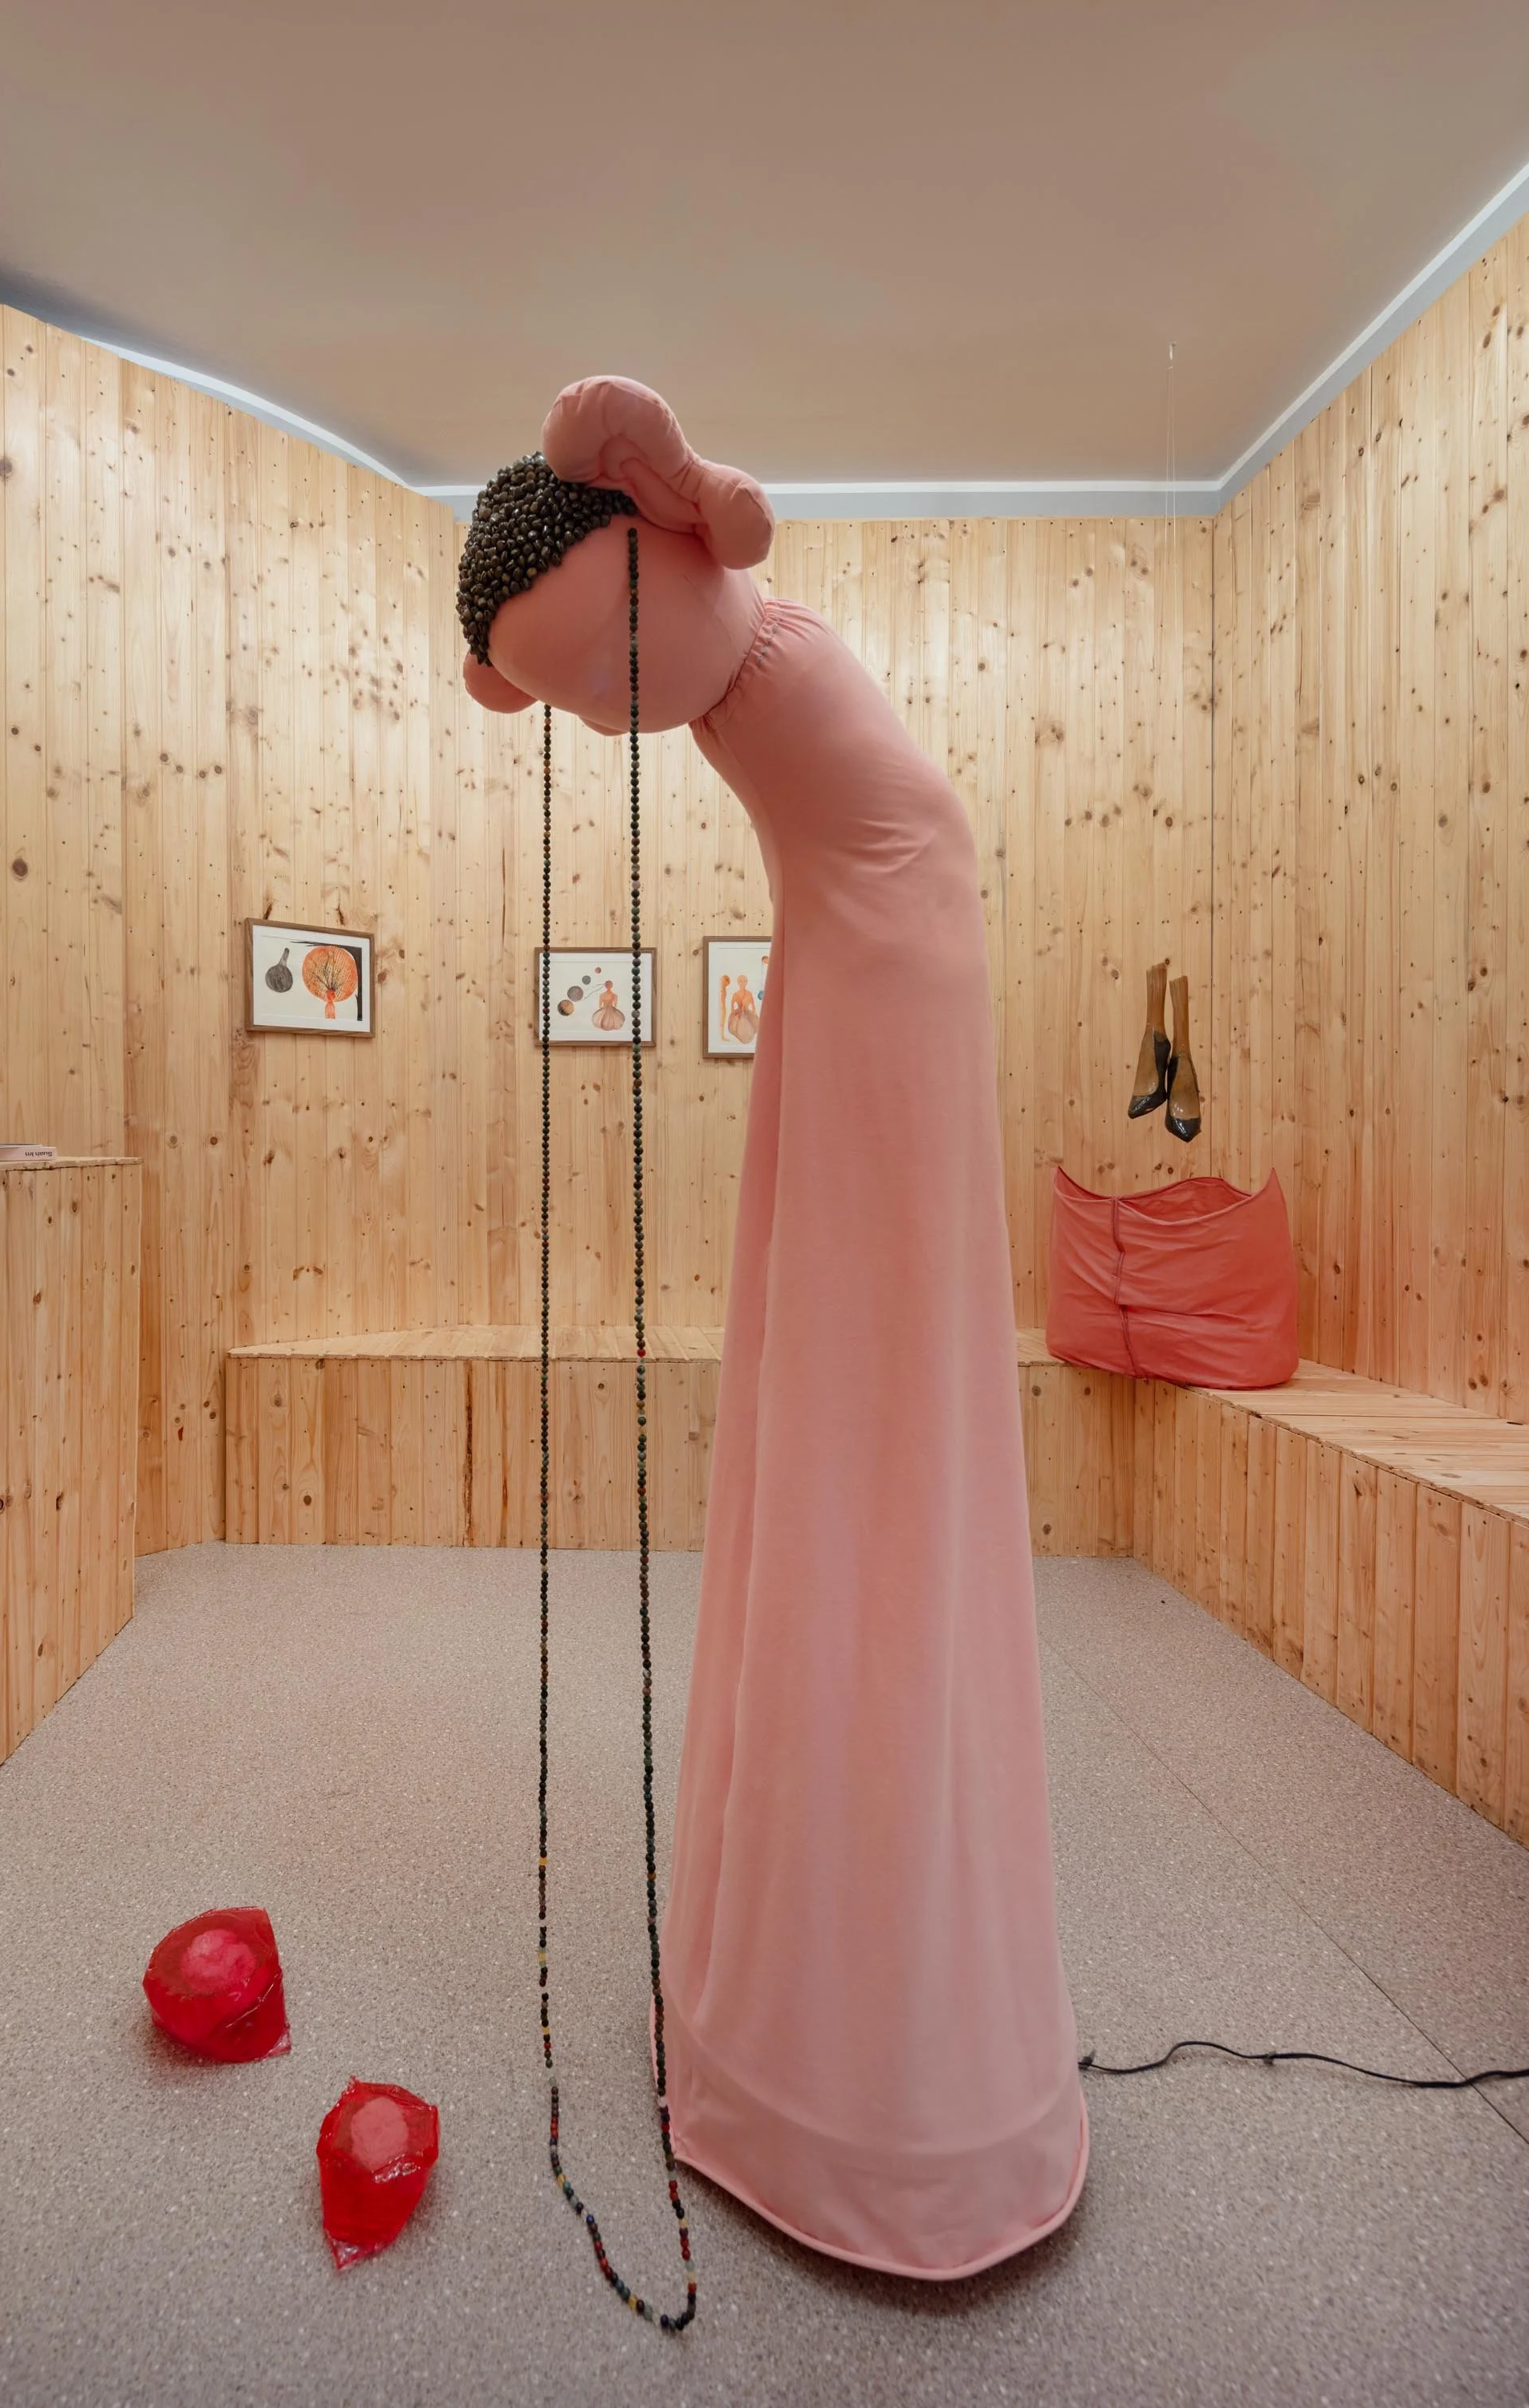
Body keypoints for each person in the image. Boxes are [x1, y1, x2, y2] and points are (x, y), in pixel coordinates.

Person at [458, 379, 1086, 2279]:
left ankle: (875, 2067)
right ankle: (788, 2005)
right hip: (846, 934)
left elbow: (730, 514)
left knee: (880, 1376)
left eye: (613, 669)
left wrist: (660, 478)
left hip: (894, 932)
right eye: (581, 703)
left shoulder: (722, 567)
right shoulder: (719, 674)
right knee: (829, 1367)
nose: (615, 712)